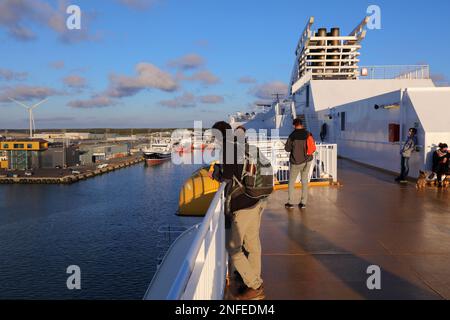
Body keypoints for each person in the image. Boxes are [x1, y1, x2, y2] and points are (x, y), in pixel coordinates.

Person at [210, 121, 266, 300]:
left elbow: (228, 177)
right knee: (252, 245)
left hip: (242, 204)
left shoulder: (228, 148)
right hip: (255, 199)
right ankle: (253, 280)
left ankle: (255, 286)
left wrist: (216, 173)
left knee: (233, 248)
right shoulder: (241, 144)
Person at [284, 118, 314, 209]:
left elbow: (287, 149)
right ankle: (303, 203)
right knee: (304, 182)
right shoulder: (308, 134)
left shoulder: (292, 136)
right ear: (302, 124)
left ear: (294, 125)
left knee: (291, 182)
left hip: (296, 162)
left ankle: (290, 203)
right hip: (307, 161)